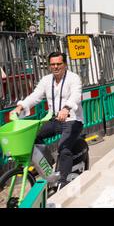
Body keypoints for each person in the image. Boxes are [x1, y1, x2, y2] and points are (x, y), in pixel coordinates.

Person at [10, 51, 83, 189]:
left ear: (65, 64)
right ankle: (47, 165)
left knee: (64, 147)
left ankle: (63, 180)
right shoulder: (46, 80)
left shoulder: (74, 78)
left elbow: (76, 95)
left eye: (59, 64)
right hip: (55, 119)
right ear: (49, 66)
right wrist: (20, 106)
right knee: (31, 137)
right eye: (53, 64)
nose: (56, 67)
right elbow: (35, 96)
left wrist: (66, 108)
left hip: (72, 120)